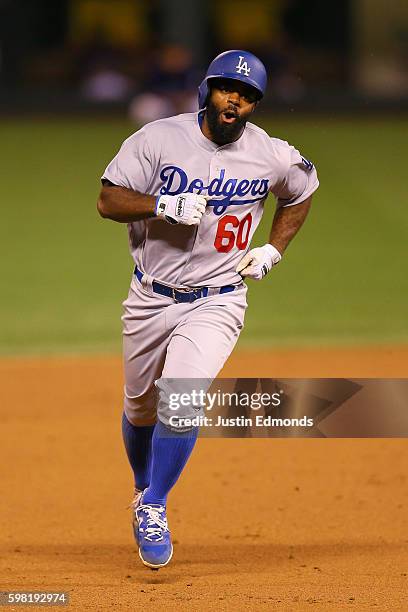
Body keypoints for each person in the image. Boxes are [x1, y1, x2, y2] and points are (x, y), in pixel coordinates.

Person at [97, 49, 319, 570]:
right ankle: (141, 487)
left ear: (254, 105)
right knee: (140, 409)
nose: (235, 100)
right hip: (151, 296)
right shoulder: (158, 139)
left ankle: (154, 505)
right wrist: (162, 204)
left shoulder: (270, 153)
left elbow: (303, 188)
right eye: (226, 89)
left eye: (246, 96)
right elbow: (108, 199)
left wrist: (272, 249)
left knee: (184, 397)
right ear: (207, 91)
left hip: (219, 300)